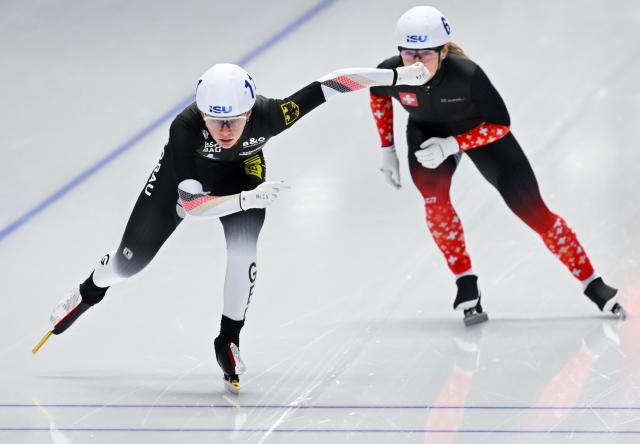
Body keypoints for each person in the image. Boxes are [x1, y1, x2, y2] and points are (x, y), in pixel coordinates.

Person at [32, 61, 429, 393]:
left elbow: (334, 84)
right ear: (201, 113)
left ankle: (229, 339)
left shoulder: (271, 114)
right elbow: (191, 207)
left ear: (251, 110)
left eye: (234, 121)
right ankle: (91, 287)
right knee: (129, 264)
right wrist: (246, 200)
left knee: (244, 253)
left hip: (242, 176)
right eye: (215, 121)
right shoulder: (185, 128)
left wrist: (393, 78)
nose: (224, 131)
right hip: (183, 182)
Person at [368, 6, 626, 326]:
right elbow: (378, 93)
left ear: (444, 51)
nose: (416, 63)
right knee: (435, 203)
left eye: (425, 54)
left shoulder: (467, 75)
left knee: (533, 210)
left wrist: (454, 144)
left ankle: (592, 282)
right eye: (408, 53)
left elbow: (501, 125)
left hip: (482, 132)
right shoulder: (391, 71)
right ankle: (466, 282)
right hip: (427, 133)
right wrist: (387, 148)